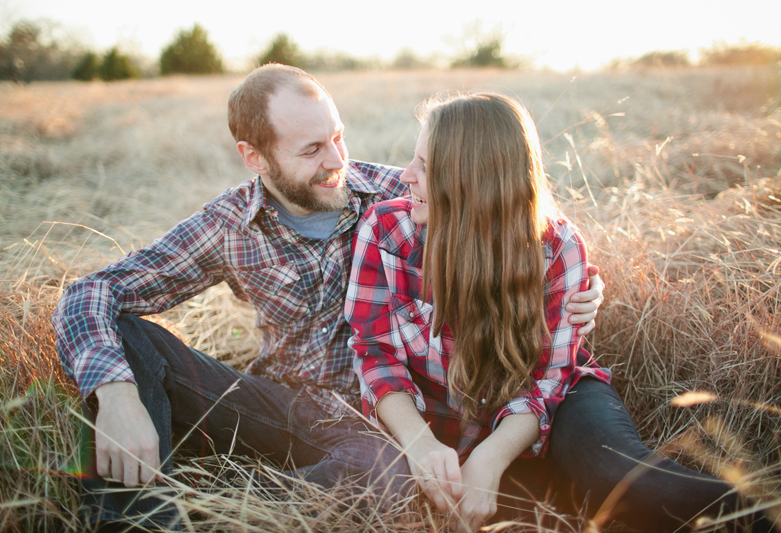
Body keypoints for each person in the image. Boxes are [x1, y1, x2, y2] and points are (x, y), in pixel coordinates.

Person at [52, 65, 605, 530]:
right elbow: (92, 291)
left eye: (338, 136)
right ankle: (131, 518)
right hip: (271, 403)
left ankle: (226, 501)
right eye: (312, 149)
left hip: (370, 423)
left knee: (379, 475)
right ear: (256, 158)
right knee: (124, 337)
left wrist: (589, 286)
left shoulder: (397, 193)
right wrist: (117, 394)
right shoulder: (227, 227)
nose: (337, 160)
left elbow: (509, 209)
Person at [345, 93, 774, 533]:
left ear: (471, 180)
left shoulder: (555, 247)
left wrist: (490, 458)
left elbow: (546, 380)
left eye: (424, 164)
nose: (407, 176)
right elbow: (374, 354)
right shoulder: (385, 231)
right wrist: (420, 445)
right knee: (495, 509)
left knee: (619, 481)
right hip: (438, 417)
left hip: (554, 402)